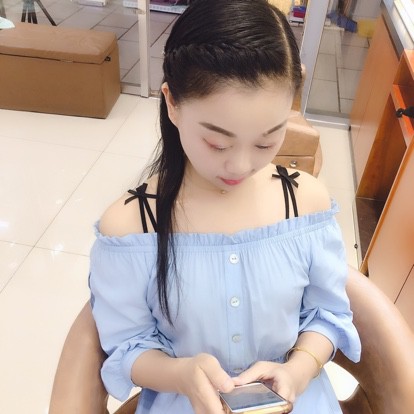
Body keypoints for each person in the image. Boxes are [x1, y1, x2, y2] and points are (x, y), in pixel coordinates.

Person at [88, 0, 361, 413]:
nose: (240, 166)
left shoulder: (305, 203)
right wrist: (180, 373)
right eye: (217, 143)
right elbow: (127, 345)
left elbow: (328, 314)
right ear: (172, 103)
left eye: (266, 142)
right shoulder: (131, 227)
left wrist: (299, 369)